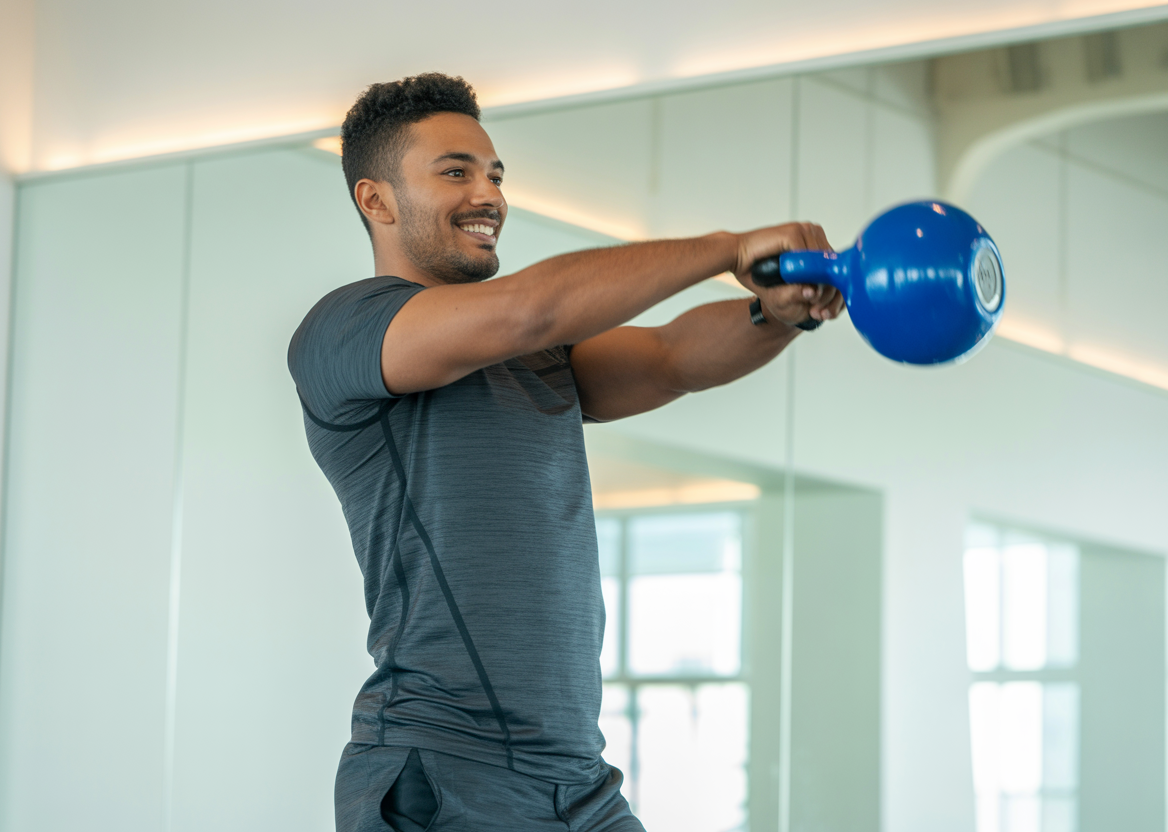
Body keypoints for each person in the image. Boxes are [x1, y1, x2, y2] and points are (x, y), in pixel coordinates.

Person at [287, 72, 843, 832]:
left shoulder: (532, 353)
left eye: (495, 176)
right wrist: (727, 248)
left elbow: (673, 357)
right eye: (455, 172)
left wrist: (777, 314)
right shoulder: (346, 330)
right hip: (446, 765)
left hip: (577, 778)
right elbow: (528, 309)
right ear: (376, 200)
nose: (488, 196)